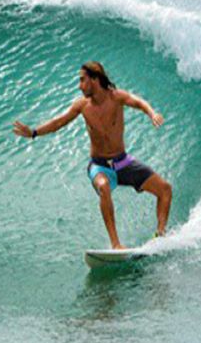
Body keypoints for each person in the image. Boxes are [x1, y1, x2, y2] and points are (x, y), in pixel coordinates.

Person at [12, 61, 172, 249]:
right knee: (103, 187)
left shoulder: (116, 97)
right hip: (99, 165)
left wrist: (152, 113)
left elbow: (138, 102)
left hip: (123, 162)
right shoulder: (82, 106)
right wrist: (33, 132)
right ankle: (116, 245)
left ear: (95, 79)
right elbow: (58, 122)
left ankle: (159, 236)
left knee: (165, 189)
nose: (79, 86)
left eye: (82, 80)